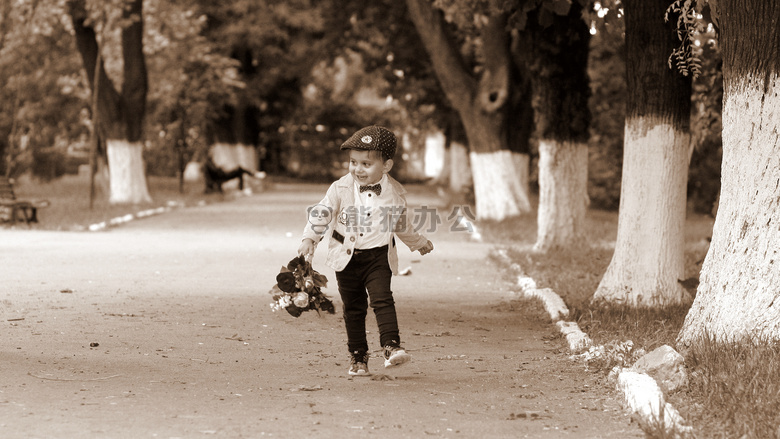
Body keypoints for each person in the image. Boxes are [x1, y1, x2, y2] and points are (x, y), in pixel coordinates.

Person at [298, 125, 434, 376]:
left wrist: (418, 242)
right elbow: (322, 212)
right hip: (346, 259)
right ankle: (358, 356)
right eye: (353, 162)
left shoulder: (395, 193)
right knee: (354, 308)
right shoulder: (340, 188)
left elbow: (401, 223)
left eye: (366, 164)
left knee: (383, 300)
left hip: (378, 256)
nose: (357, 169)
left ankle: (391, 346)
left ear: (386, 166)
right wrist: (310, 238)